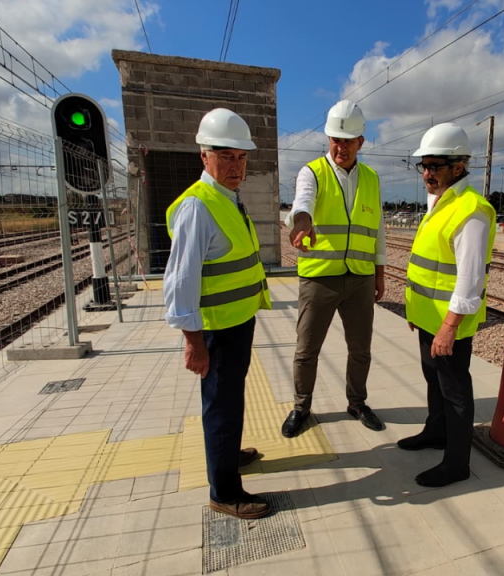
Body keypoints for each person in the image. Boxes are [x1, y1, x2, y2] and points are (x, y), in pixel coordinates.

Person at [163, 108, 272, 519]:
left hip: (236, 322)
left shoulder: (226, 197)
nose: (236, 166)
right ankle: (224, 493)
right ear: (204, 156)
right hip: (216, 330)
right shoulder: (198, 207)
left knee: (230, 399)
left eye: (241, 157)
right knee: (221, 405)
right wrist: (192, 342)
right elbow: (181, 281)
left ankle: (225, 454)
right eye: (226, 156)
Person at [397, 123, 496, 488]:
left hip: (448, 323)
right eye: (423, 166)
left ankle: (457, 463)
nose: (427, 173)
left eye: (434, 166)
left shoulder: (470, 211)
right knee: (433, 379)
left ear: (458, 166)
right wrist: (417, 312)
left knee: (455, 391)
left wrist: (449, 327)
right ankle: (436, 431)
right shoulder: (441, 202)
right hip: (429, 317)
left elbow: (470, 280)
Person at [281, 100, 387, 437]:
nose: (341, 147)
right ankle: (301, 407)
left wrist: (379, 273)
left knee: (361, 350)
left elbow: (378, 229)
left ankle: (357, 403)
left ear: (361, 142)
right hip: (319, 279)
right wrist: (301, 221)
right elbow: (303, 201)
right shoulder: (312, 173)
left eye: (348, 141)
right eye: (335, 140)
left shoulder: (371, 178)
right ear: (328, 139)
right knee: (306, 350)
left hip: (360, 278)